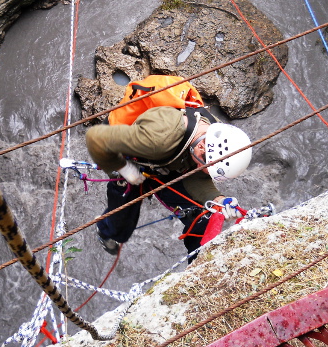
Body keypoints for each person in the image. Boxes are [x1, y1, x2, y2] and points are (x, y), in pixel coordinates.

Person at [85, 105, 252, 262]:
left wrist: (219, 201)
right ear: (201, 147)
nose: (202, 169)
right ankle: (106, 230)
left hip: (175, 163)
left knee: (203, 218)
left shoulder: (215, 133)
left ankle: (196, 271)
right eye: (204, 165)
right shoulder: (159, 138)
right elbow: (96, 139)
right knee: (120, 225)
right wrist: (124, 169)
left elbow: (198, 177)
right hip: (135, 158)